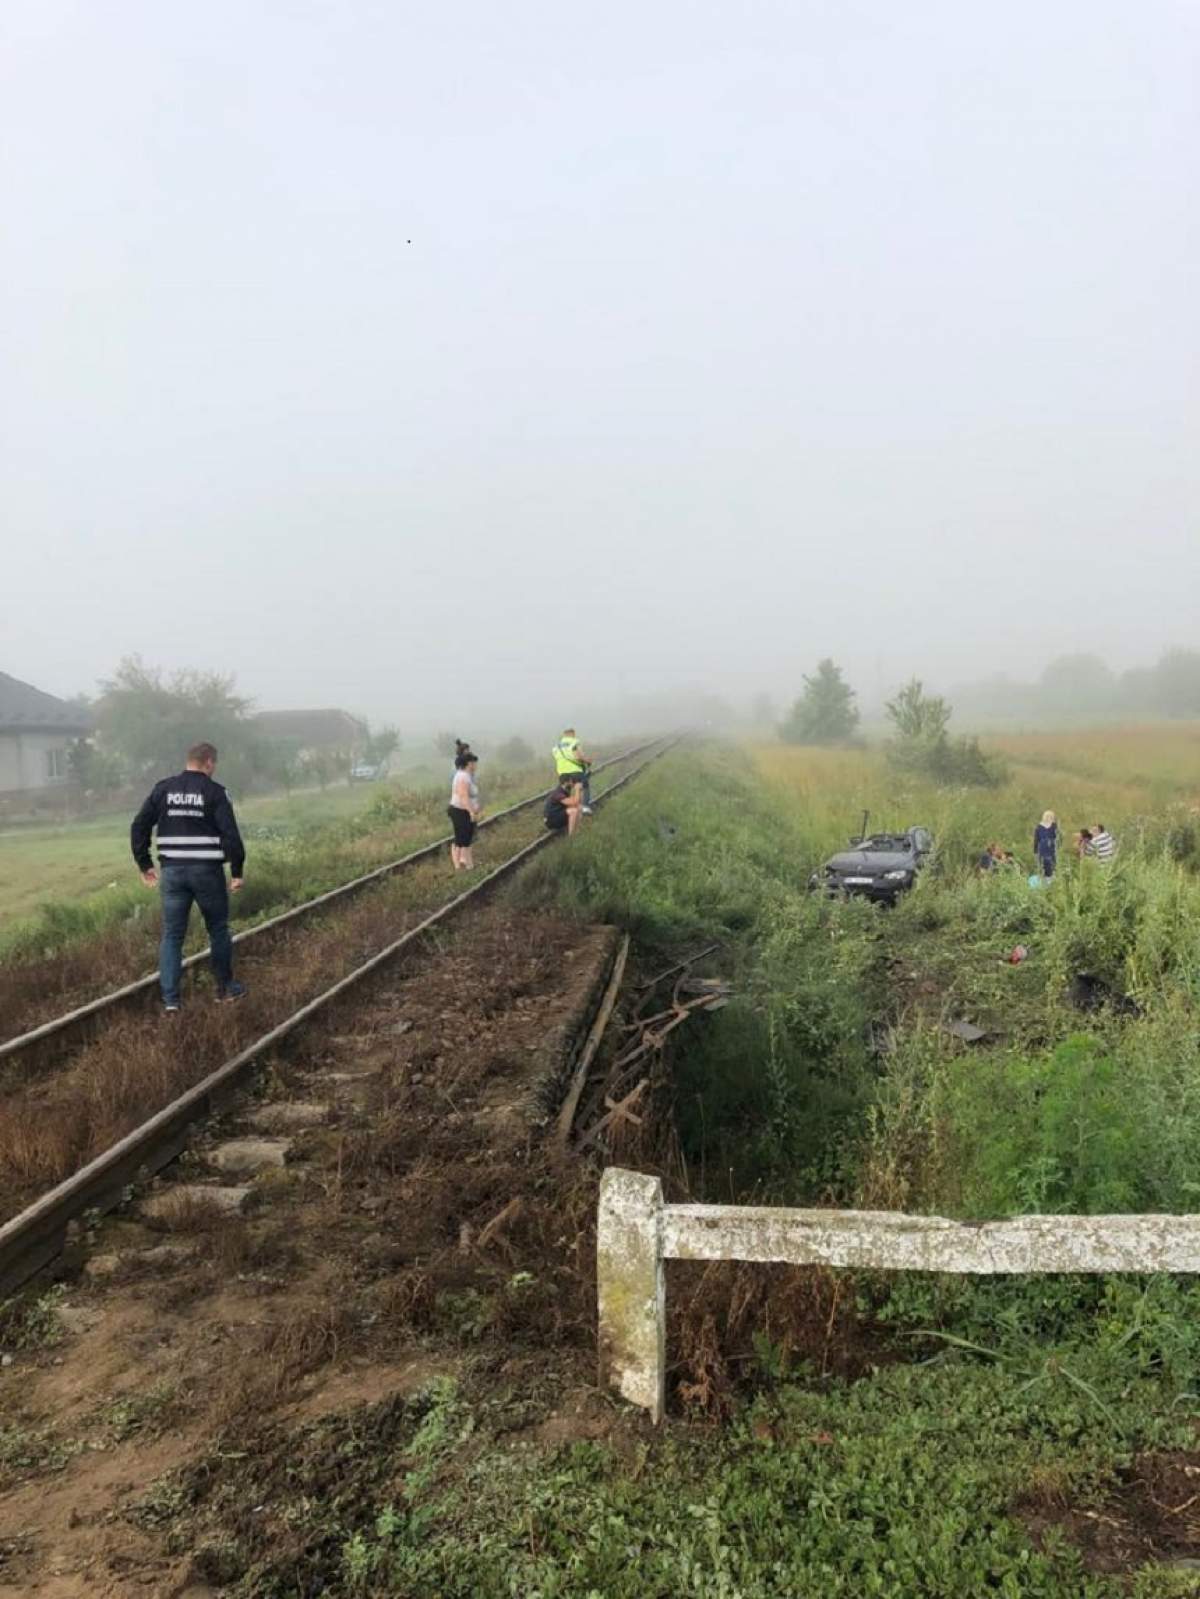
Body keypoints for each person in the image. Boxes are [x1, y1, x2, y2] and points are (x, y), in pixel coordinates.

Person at [130, 741, 246, 1013]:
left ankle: (171, 1001)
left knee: (172, 935)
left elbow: (139, 825)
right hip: (207, 872)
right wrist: (237, 871)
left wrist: (144, 863)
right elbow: (231, 835)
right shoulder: (215, 792)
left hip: (172, 873)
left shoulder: (163, 789)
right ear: (208, 762)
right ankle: (225, 989)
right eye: (213, 764)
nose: (213, 769)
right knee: (217, 929)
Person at [448, 751, 481, 870]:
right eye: (474, 763)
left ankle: (469, 865)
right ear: (469, 764)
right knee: (461, 839)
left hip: (463, 811)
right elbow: (463, 796)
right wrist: (471, 811)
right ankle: (459, 866)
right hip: (459, 811)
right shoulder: (463, 776)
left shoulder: (466, 776)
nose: (476, 765)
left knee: (466, 839)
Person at [552, 727, 593, 813]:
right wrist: (587, 761)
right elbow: (578, 756)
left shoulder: (556, 746)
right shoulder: (574, 742)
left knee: (566, 789)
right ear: (572, 733)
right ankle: (585, 807)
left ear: (564, 734)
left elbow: (557, 758)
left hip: (562, 772)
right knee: (584, 787)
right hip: (575, 770)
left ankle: (566, 808)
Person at [1033, 810, 1059, 879]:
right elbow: (1058, 838)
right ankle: (1051, 879)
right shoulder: (1054, 826)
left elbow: (1036, 840)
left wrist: (1035, 851)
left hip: (1042, 846)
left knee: (1042, 863)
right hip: (1051, 846)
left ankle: (1044, 879)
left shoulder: (1038, 826)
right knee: (1052, 863)